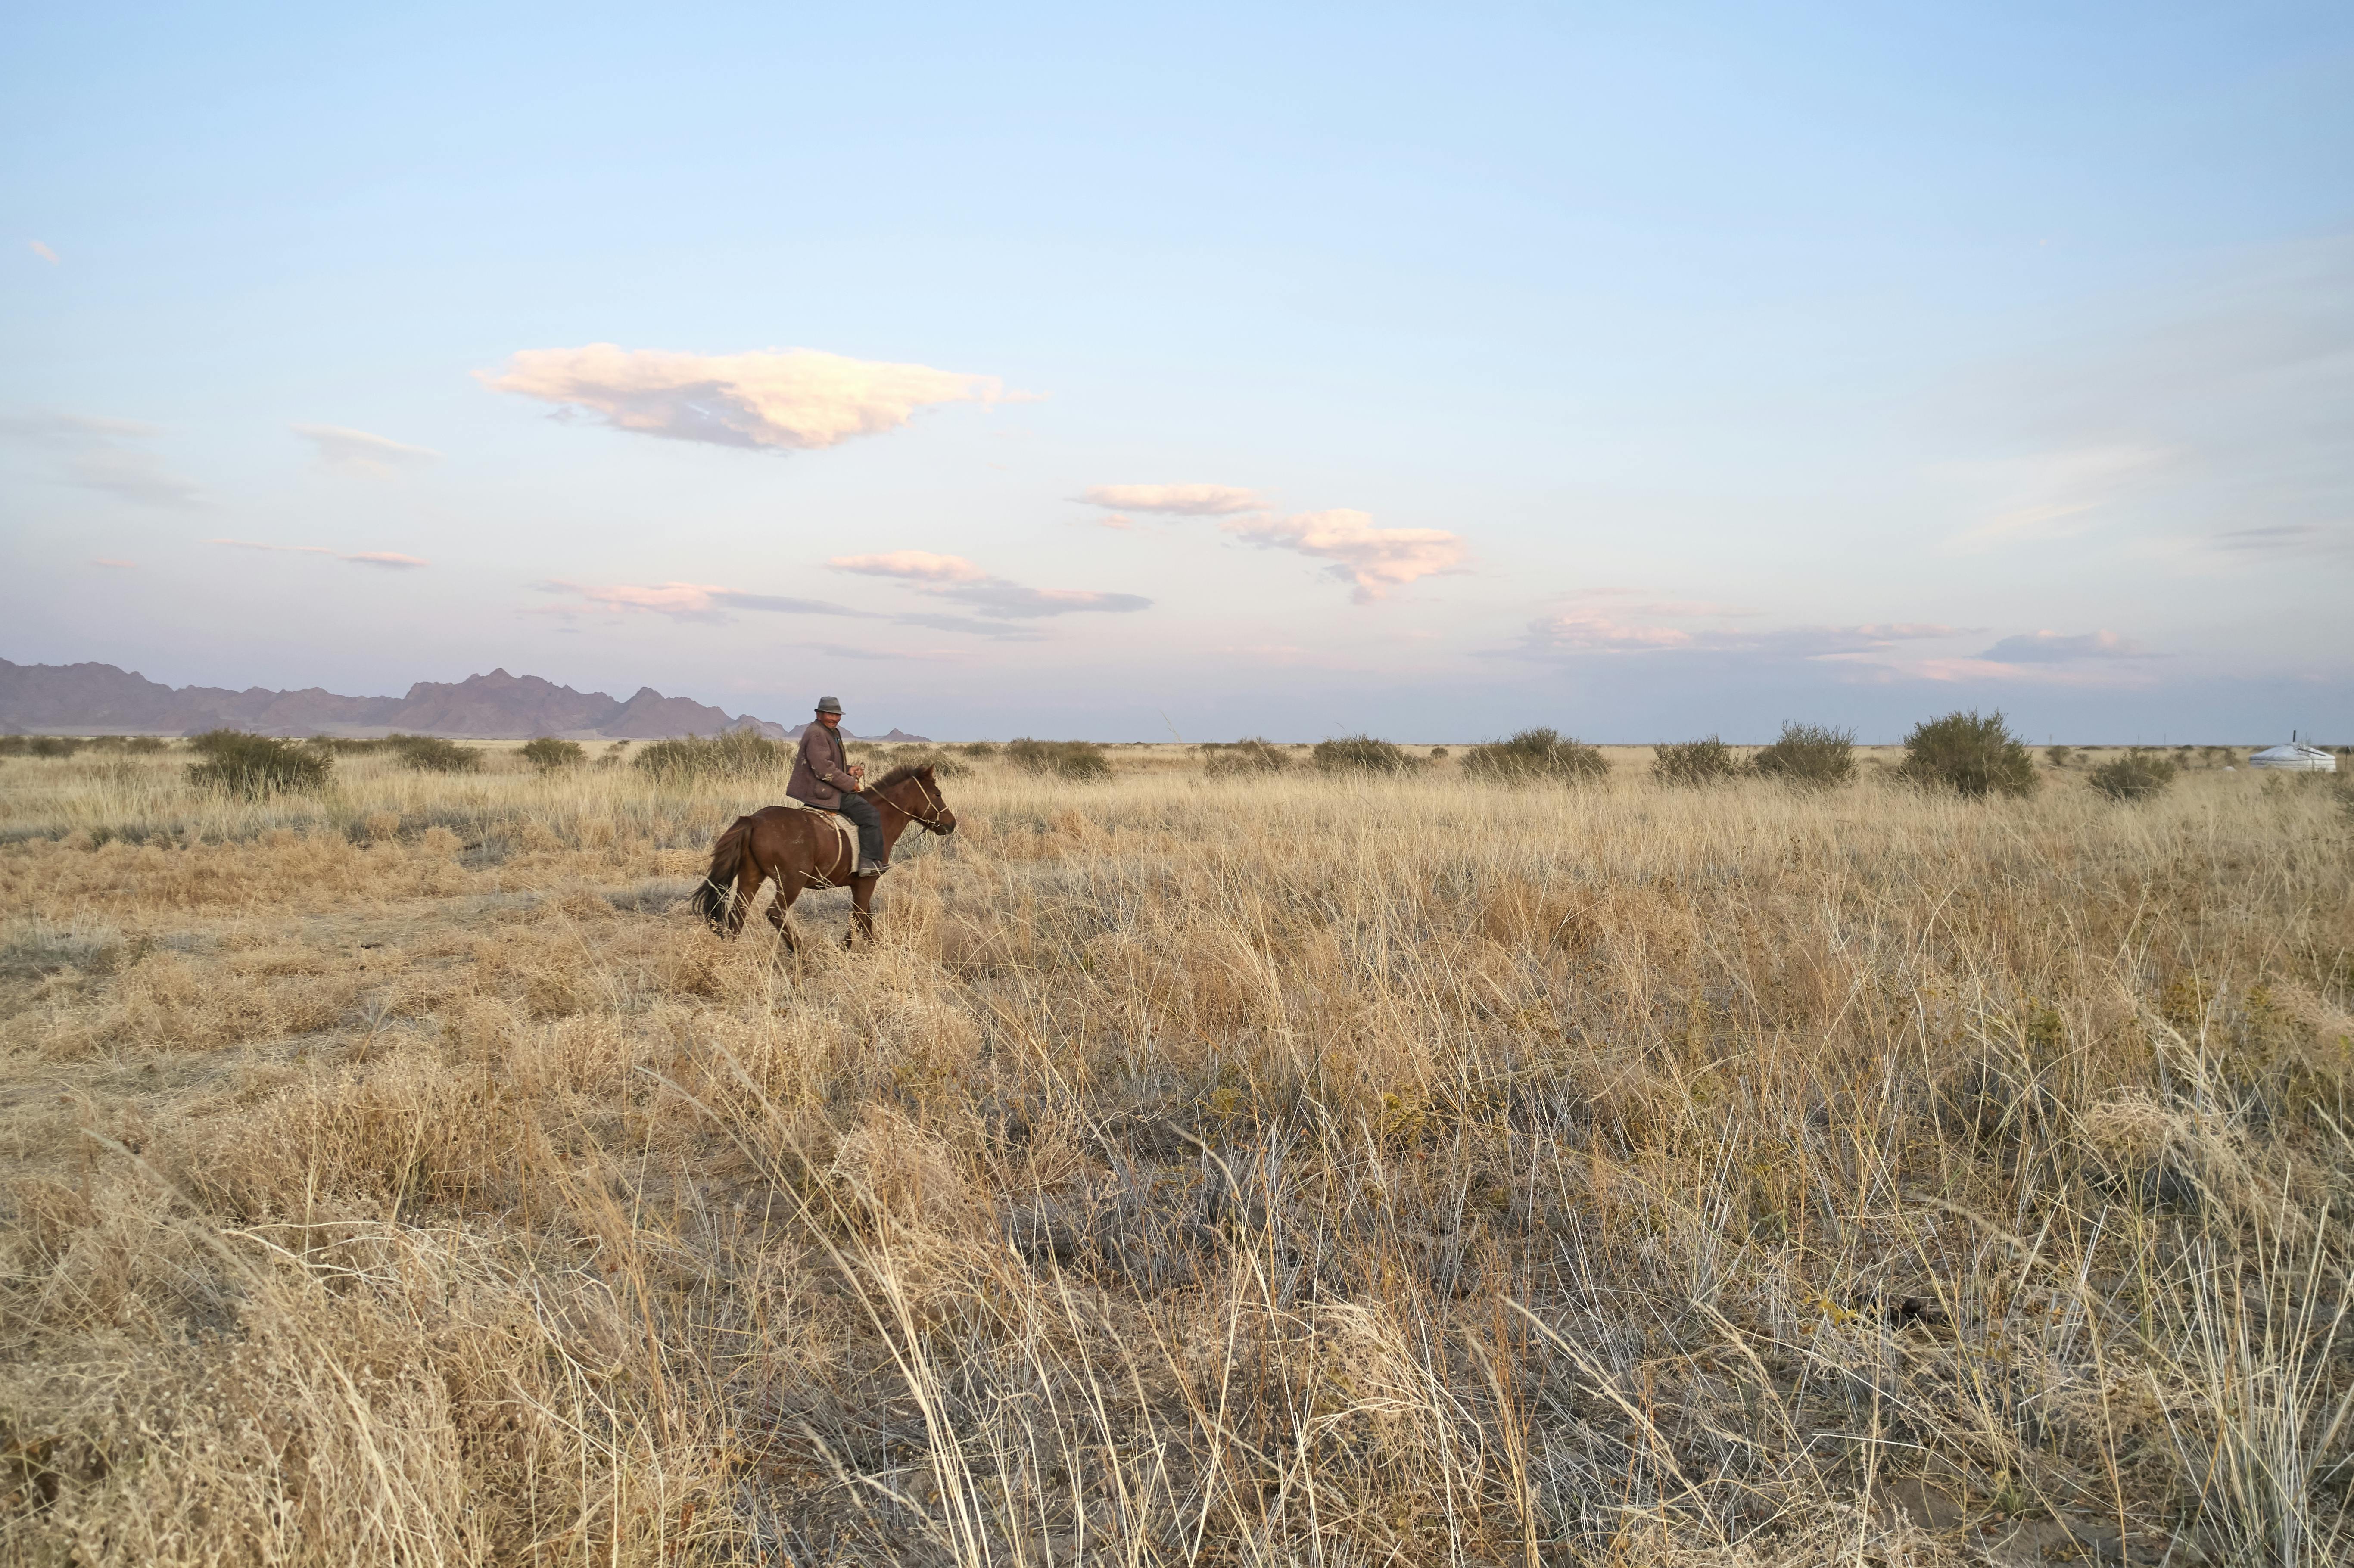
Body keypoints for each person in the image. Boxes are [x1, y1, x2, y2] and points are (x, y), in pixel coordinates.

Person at [786, 696, 887, 877]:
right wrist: (851, 784)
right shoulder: (817, 733)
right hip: (822, 792)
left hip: (825, 787)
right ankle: (868, 863)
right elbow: (824, 769)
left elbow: (829, 763)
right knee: (870, 814)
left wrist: (849, 770)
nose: (834, 718)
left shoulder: (829, 731)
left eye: (837, 715)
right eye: (830, 715)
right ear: (819, 715)